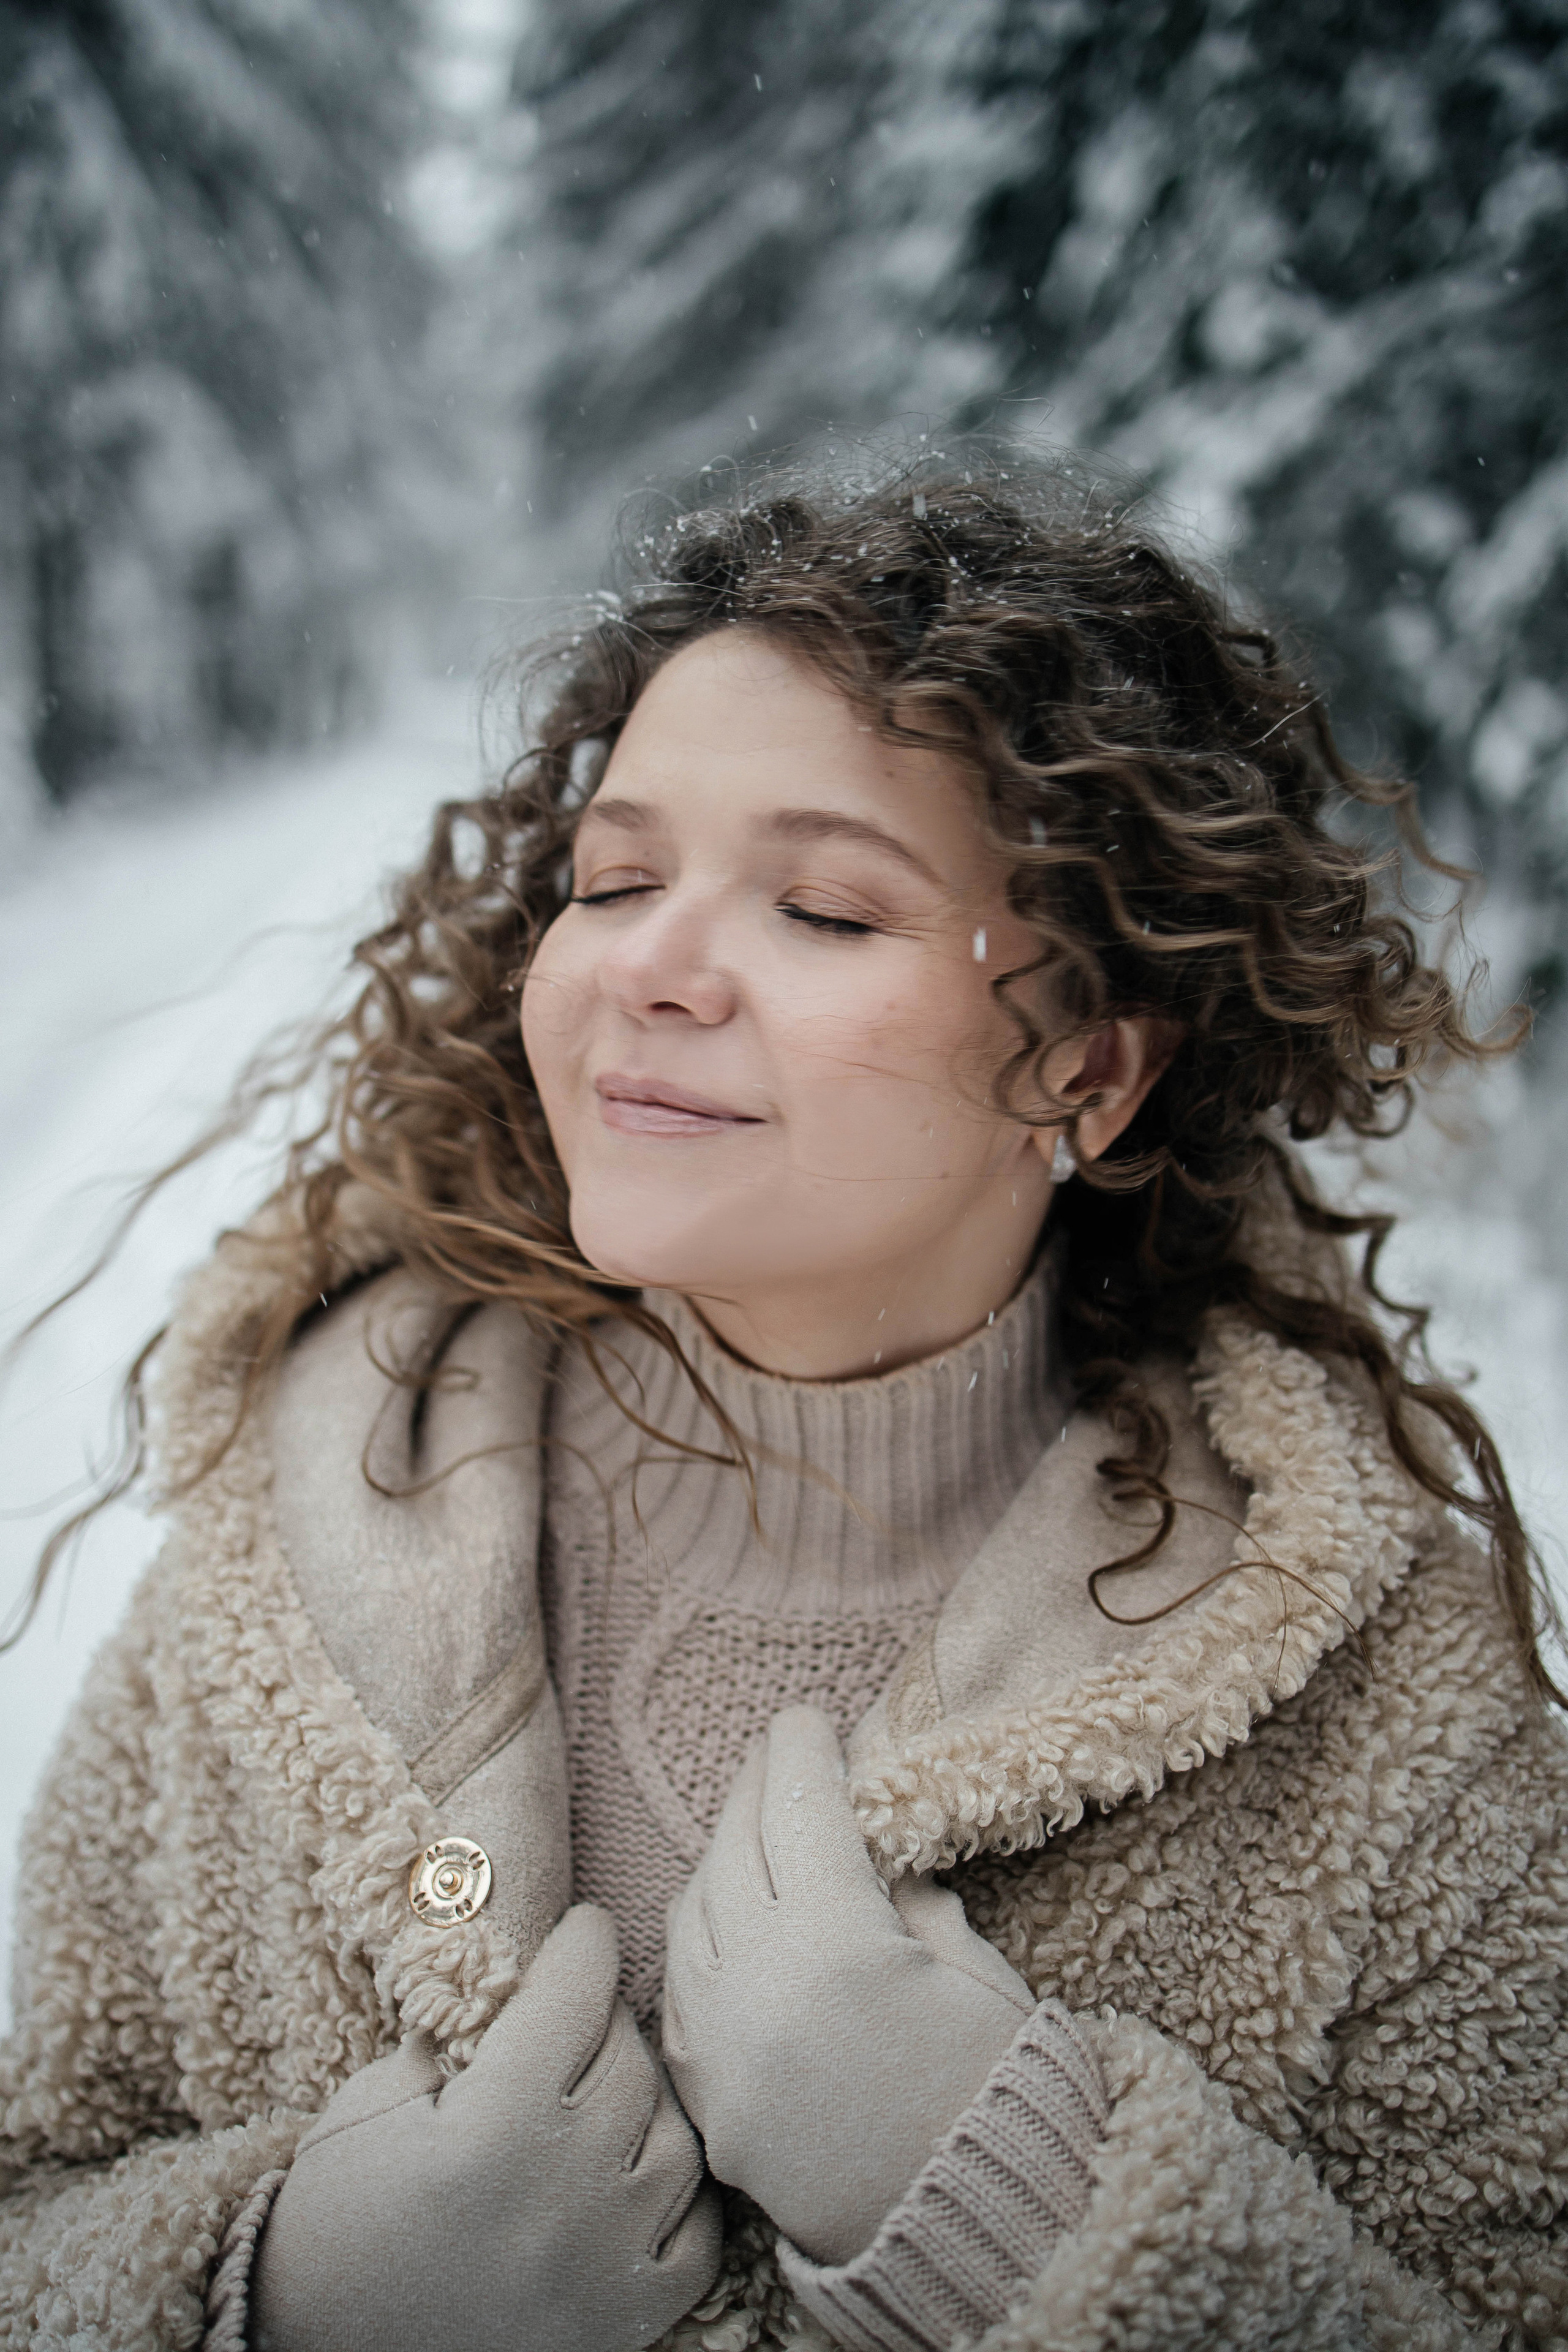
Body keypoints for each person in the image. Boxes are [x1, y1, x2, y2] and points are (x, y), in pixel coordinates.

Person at [2, 454, 1564, 2352]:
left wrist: (1004, 2206)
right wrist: (288, 2299)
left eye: (823, 909)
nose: (652, 966)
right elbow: (41, 2191)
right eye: (615, 878)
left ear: (1087, 1068)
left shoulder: (1384, 1694)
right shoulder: (301, 1557)